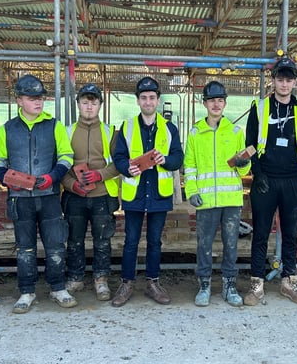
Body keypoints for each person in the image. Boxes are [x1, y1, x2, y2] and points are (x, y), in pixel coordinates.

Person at [0, 74, 75, 314]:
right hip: (19, 199)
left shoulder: (54, 125)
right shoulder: (7, 129)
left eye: (40, 98)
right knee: (25, 248)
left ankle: (58, 288)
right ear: (19, 100)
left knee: (56, 246)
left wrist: (52, 177)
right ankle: (26, 292)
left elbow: (66, 156)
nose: (38, 103)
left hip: (48, 196)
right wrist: (8, 179)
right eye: (31, 98)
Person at [244, 58, 297, 306]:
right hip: (266, 179)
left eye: (289, 79)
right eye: (280, 79)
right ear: (273, 80)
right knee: (261, 232)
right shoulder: (260, 107)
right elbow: (250, 143)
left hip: (292, 179)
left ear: (295, 82)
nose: (284, 84)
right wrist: (257, 173)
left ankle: (289, 282)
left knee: (290, 233)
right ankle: (256, 284)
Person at [111, 76, 183, 307]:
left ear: (158, 100)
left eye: (152, 97)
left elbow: (178, 158)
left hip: (159, 195)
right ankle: (127, 283)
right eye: (144, 98)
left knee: (155, 241)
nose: (148, 102)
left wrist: (166, 160)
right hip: (135, 194)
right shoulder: (127, 126)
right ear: (138, 101)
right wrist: (127, 167)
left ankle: (153, 283)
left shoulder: (169, 128)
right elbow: (118, 157)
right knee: (130, 241)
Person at [184, 81, 250, 307]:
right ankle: (204, 285)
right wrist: (192, 192)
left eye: (220, 100)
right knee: (204, 244)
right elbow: (189, 167)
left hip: (230, 200)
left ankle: (229, 285)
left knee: (231, 244)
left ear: (225, 103)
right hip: (205, 201)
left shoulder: (234, 132)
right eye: (212, 100)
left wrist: (243, 162)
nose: (216, 104)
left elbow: (244, 170)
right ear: (204, 103)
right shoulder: (195, 133)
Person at [62, 83, 120, 302]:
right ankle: (75, 278)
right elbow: (60, 166)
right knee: (74, 240)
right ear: (78, 104)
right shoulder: (66, 132)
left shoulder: (110, 132)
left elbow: (119, 164)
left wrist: (100, 175)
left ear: (100, 105)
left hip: (102, 197)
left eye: (93, 102)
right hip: (74, 197)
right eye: (85, 102)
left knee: (102, 240)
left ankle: (101, 279)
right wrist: (71, 185)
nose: (89, 107)